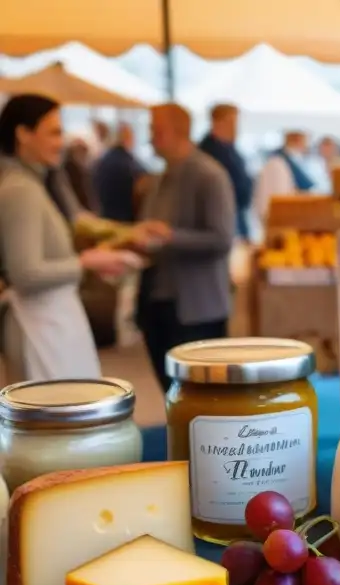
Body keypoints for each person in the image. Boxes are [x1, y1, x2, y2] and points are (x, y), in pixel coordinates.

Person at [0, 94, 140, 381]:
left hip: (48, 320)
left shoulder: (34, 182)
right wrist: (86, 262)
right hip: (38, 324)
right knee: (55, 417)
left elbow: (79, 222)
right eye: (54, 132)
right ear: (23, 134)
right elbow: (25, 273)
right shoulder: (20, 189)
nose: (61, 142)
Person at [132, 103, 236, 392]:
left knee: (202, 395)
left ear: (176, 131)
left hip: (197, 311)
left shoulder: (209, 175)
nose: (150, 137)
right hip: (157, 303)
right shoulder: (159, 178)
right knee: (172, 393)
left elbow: (222, 238)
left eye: (155, 129)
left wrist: (170, 236)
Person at [199, 104, 253, 242]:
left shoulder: (229, 148)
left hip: (238, 214)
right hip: (223, 218)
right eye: (232, 123)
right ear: (217, 122)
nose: (235, 128)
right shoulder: (208, 152)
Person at [254, 131, 314, 224]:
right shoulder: (277, 163)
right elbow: (280, 200)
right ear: (298, 140)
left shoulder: (290, 161)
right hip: (278, 220)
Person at [93, 123, 145, 223]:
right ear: (128, 138)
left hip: (104, 217)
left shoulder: (102, 161)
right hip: (125, 221)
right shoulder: (128, 163)